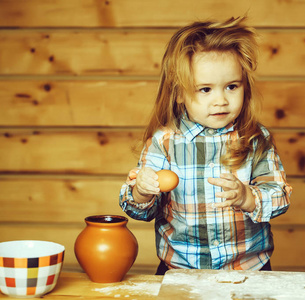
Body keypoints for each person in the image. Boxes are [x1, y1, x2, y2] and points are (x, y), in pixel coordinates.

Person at [119, 16, 292, 275]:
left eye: (231, 86)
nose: (221, 100)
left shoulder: (255, 138)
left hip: (248, 270)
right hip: (179, 269)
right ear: (178, 93)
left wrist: (248, 197)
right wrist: (143, 191)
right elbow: (139, 209)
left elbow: (280, 195)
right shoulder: (164, 142)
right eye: (205, 90)